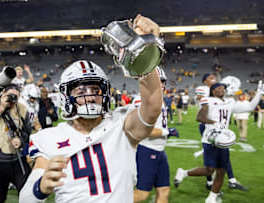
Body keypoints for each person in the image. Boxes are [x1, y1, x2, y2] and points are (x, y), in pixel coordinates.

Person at [19, 14, 163, 203]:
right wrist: (41, 187)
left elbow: (152, 106)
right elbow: (25, 199)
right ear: (66, 96)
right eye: (81, 90)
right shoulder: (48, 138)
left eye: (95, 89)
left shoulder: (121, 124)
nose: (90, 95)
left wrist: (146, 51)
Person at [174, 81, 264, 203]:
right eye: (220, 88)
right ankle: (183, 173)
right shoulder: (208, 100)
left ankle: (212, 197)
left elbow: (250, 107)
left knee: (222, 170)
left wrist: (259, 93)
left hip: (223, 140)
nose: (223, 89)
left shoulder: (230, 102)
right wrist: (214, 123)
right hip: (210, 140)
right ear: (213, 91)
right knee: (209, 170)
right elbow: (200, 117)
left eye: (224, 88)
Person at [133, 67, 179, 203]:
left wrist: (165, 131)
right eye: (157, 81)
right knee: (142, 194)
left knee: (164, 190)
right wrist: (167, 132)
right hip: (146, 150)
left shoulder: (160, 100)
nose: (161, 85)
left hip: (159, 151)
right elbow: (140, 130)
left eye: (163, 81)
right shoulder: (141, 100)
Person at [195, 73, 245, 191]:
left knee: (224, 151)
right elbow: (203, 103)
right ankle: (210, 181)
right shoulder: (203, 90)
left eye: (213, 77)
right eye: (210, 78)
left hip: (219, 125)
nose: (213, 79)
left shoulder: (218, 90)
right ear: (205, 81)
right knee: (211, 154)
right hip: (207, 124)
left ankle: (231, 180)